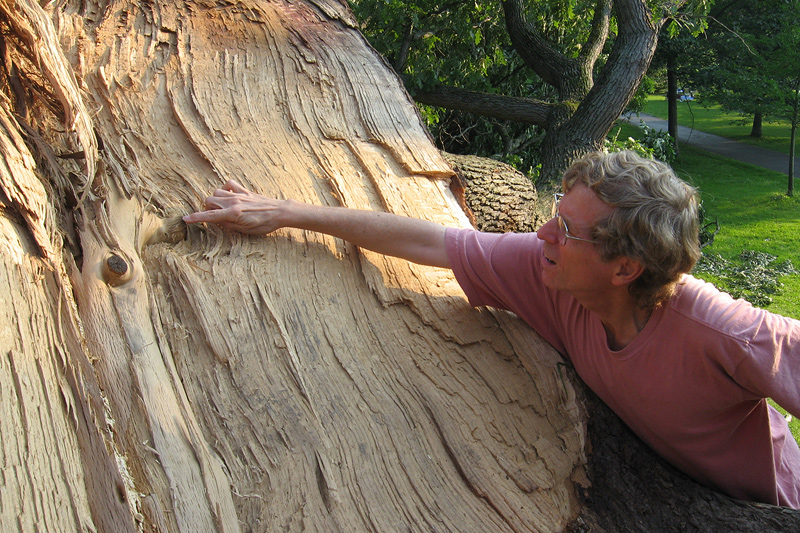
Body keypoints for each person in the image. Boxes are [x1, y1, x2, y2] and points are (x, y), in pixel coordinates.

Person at [184, 150, 800, 509]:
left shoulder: (722, 330)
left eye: (567, 230)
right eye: (555, 216)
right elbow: (431, 240)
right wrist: (286, 212)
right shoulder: (552, 273)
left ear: (626, 268)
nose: (543, 235)